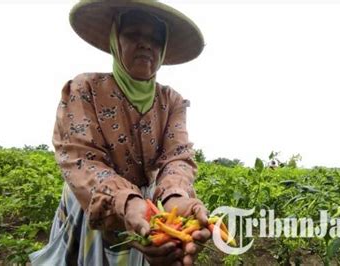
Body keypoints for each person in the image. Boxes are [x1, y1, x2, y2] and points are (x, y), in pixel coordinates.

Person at [29, 0, 210, 265]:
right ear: (115, 40)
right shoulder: (85, 89)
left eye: (155, 38)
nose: (146, 43)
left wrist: (174, 196)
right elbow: (80, 157)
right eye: (133, 33)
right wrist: (125, 202)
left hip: (147, 211)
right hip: (95, 204)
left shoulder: (171, 101)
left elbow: (178, 157)